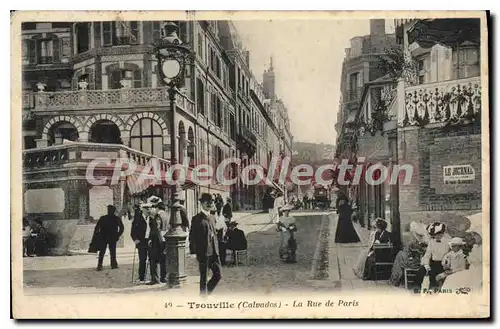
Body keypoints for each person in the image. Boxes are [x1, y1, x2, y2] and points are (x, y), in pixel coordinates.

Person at [189, 193, 222, 295]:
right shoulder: (196, 219)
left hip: (214, 251)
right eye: (206, 202)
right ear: (201, 203)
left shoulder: (212, 217)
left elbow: (216, 234)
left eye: (211, 202)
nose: (209, 204)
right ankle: (203, 297)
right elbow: (192, 237)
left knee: (218, 274)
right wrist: (194, 252)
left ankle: (205, 293)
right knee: (204, 276)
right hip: (203, 252)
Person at [413, 222, 450, 290]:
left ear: (442, 233)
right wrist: (426, 265)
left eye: (439, 234)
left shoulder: (448, 242)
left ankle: (433, 290)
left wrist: (446, 261)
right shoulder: (431, 242)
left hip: (443, 264)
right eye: (435, 235)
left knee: (433, 275)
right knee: (421, 271)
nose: (437, 236)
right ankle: (416, 289)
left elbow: (451, 253)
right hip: (433, 263)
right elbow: (427, 254)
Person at [146, 196, 169, 284]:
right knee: (163, 259)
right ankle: (164, 277)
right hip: (165, 238)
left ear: (157, 207)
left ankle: (155, 279)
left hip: (157, 239)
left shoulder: (158, 215)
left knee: (153, 259)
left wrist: (150, 239)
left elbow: (157, 228)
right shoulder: (167, 215)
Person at [95, 205, 124, 271]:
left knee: (103, 252)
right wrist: (118, 235)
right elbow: (122, 228)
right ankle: (113, 265)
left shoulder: (103, 218)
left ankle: (100, 265)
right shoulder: (116, 218)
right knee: (111, 252)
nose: (109, 211)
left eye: (110, 210)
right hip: (109, 237)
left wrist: (98, 235)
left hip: (105, 237)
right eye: (109, 210)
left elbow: (97, 228)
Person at [130, 204, 149, 283]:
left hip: (150, 241)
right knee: (142, 260)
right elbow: (132, 231)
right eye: (146, 208)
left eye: (149, 208)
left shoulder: (152, 217)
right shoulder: (137, 218)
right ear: (143, 209)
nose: (148, 210)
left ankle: (153, 278)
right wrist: (135, 239)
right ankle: (141, 277)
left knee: (152, 259)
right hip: (141, 242)